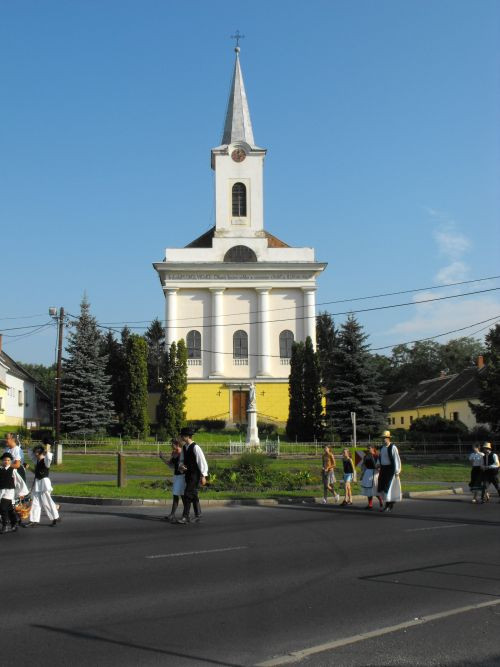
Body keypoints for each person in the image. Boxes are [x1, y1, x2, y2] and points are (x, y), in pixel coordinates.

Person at [177, 427, 208, 524]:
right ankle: (198, 515)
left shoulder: (195, 447)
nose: (181, 437)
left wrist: (204, 475)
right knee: (193, 494)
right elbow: (181, 460)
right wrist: (181, 466)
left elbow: (202, 462)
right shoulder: (184, 447)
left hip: (195, 475)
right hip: (188, 474)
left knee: (187, 494)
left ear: (187, 436)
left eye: (182, 435)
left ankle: (185, 516)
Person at [27, 440, 61, 527]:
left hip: (44, 482)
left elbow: (49, 458)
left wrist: (48, 448)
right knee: (35, 502)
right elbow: (36, 472)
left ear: (39, 453)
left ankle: (55, 517)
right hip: (38, 482)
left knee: (47, 501)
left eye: (36, 452)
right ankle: (34, 520)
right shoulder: (37, 461)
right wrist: (28, 468)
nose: (34, 454)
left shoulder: (45, 460)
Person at [0, 451, 28, 534]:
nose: (6, 462)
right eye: (5, 460)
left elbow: (19, 482)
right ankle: (14, 523)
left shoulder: (13, 470)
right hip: (1, 491)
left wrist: (21, 493)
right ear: (2, 461)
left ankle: (5, 526)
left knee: (2, 507)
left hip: (9, 491)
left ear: (11, 461)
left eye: (8, 460)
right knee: (9, 509)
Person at [159, 439, 186, 522]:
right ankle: (172, 514)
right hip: (176, 476)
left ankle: (184, 515)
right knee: (175, 494)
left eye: (172, 444)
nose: (171, 446)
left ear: (177, 444)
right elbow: (170, 465)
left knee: (182, 495)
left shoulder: (182, 453)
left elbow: (186, 465)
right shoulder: (173, 453)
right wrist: (162, 457)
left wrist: (183, 468)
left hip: (182, 476)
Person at [377, 430, 402, 512]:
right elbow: (380, 458)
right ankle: (389, 504)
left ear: (388, 438)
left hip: (390, 470)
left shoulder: (393, 447)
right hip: (383, 469)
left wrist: (397, 471)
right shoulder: (382, 448)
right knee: (383, 486)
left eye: (385, 438)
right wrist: (378, 464)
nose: (383, 439)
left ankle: (388, 505)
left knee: (388, 487)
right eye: (383, 438)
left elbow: (396, 459)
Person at [360, 446, 383, 510]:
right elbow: (364, 465)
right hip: (368, 473)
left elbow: (379, 465)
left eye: (369, 448)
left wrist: (379, 470)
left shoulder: (376, 456)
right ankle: (370, 504)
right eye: (367, 448)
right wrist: (362, 474)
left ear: (373, 449)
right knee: (368, 490)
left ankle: (381, 501)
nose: (368, 449)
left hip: (374, 473)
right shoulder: (366, 457)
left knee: (375, 489)